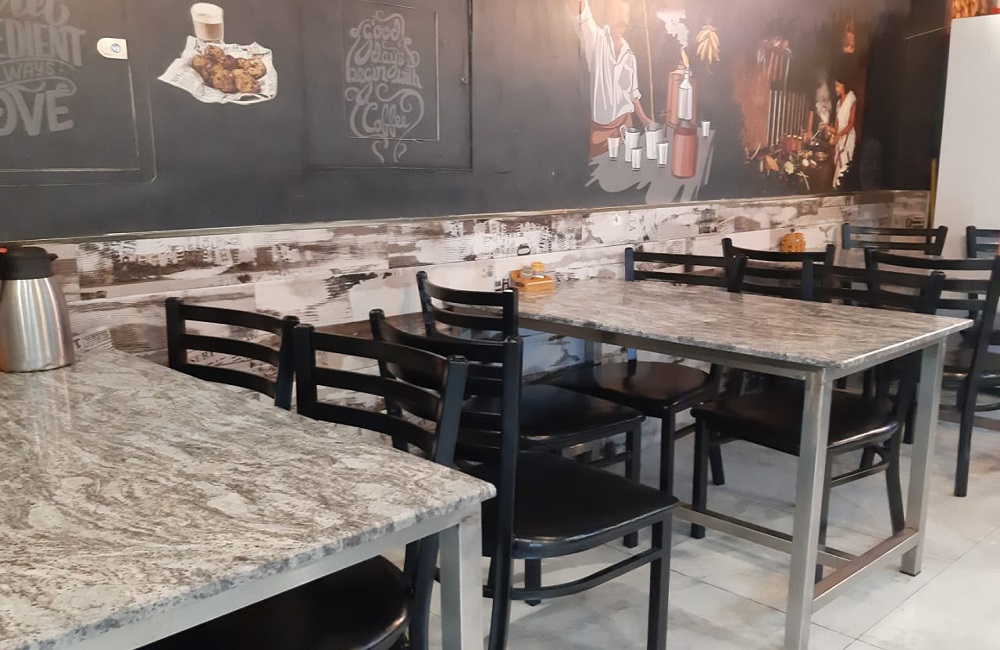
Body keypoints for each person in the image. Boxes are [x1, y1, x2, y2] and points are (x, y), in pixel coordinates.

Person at [567, 0, 653, 158]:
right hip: (602, 131)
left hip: (627, 126)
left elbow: (633, 94)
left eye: (626, 15)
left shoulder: (629, 55)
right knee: (601, 170)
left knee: (628, 169)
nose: (623, 20)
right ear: (607, 16)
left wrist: (644, 119)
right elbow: (581, 15)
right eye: (617, 14)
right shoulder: (595, 40)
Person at [830, 75, 857, 188]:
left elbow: (851, 123)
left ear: (844, 85)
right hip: (840, 138)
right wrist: (827, 128)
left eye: (837, 86)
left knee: (844, 169)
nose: (835, 89)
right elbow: (836, 128)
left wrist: (839, 135)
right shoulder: (838, 104)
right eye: (835, 86)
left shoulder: (851, 99)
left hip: (848, 138)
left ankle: (841, 189)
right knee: (837, 169)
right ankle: (836, 189)